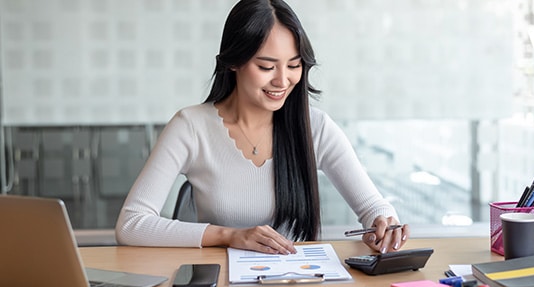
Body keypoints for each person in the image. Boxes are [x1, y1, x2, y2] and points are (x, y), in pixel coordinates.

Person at [116, 0, 409, 255]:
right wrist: (229, 235)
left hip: (298, 284)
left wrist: (385, 224)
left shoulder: (315, 127)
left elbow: (375, 208)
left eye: (294, 66)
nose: (282, 81)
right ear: (233, 63)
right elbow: (132, 224)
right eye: (267, 67)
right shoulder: (191, 127)